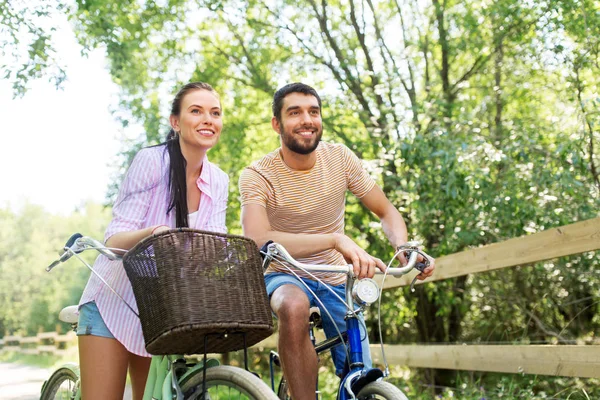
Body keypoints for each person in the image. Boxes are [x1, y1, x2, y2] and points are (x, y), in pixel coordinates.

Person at [239, 82, 435, 400]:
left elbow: (386, 211)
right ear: (277, 123)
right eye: (295, 112)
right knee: (293, 305)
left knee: (359, 379)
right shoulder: (258, 174)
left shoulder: (340, 158)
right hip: (282, 274)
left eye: (313, 112)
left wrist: (404, 247)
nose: (307, 119)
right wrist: (333, 240)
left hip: (334, 278)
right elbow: (257, 239)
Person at [77, 82, 229, 400]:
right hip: (114, 304)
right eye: (196, 111)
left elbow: (214, 245)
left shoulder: (219, 180)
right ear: (176, 122)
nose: (208, 119)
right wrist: (153, 234)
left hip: (161, 316)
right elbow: (114, 240)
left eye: (215, 113)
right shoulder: (152, 162)